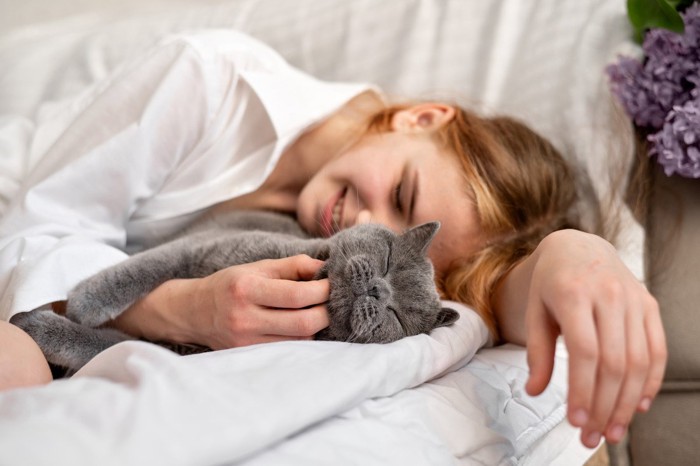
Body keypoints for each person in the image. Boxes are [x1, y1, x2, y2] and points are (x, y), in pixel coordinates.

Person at [0, 30, 665, 450]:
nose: (363, 226)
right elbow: (31, 231)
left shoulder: (323, 250)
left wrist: (575, 252)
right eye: (401, 193)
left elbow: (495, 301)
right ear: (421, 116)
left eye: (398, 237)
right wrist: (183, 307)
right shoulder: (209, 84)